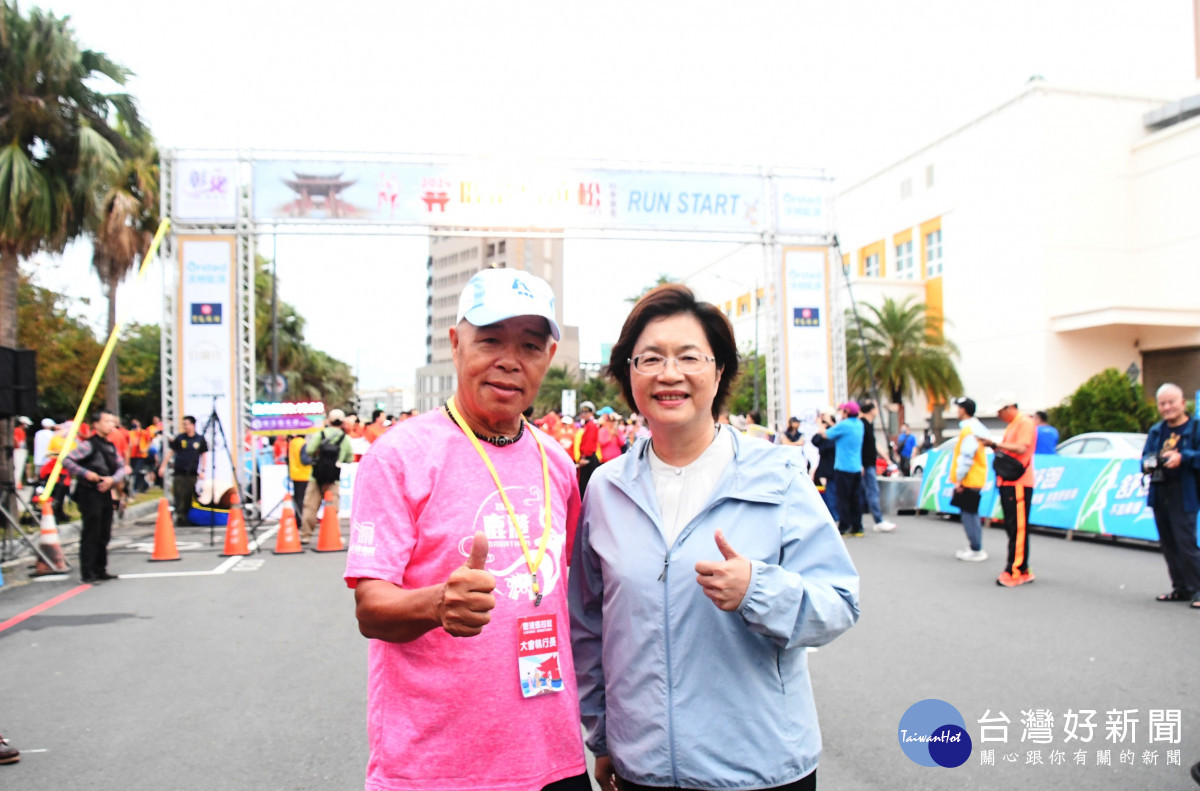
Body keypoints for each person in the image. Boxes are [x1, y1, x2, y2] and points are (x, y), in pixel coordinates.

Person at [570, 283, 859, 791]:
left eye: (689, 357)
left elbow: (839, 602)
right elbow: (589, 625)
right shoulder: (606, 489)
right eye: (650, 359)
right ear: (628, 374)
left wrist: (758, 590)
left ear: (719, 369)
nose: (669, 374)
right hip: (643, 769)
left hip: (761, 769)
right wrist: (605, 734)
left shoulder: (779, 474)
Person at [346, 267, 590, 791]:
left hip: (554, 758)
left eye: (529, 344)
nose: (509, 359)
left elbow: (562, 599)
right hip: (437, 768)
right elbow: (371, 608)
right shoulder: (400, 457)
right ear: (456, 344)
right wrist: (435, 604)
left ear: (548, 358)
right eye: (490, 340)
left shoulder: (557, 463)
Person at [1141, 383, 1200, 609]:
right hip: (1160, 490)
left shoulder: (1195, 428)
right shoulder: (1157, 430)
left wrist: (1183, 458)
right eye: (1162, 404)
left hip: (1185, 491)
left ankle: (1197, 588)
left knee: (1186, 543)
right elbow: (1146, 456)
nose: (1167, 407)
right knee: (1168, 543)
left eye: (1171, 402)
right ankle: (1181, 588)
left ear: (1183, 403)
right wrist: (1149, 463)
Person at [977, 392, 1036, 587]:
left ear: (1009, 408)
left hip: (1019, 482)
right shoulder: (1013, 425)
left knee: (1018, 528)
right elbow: (1010, 451)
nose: (999, 416)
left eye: (1000, 412)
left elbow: (1021, 448)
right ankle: (1022, 568)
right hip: (1009, 482)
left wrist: (994, 443)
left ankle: (1016, 570)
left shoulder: (1024, 423)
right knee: (1013, 527)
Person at [62, 410, 126, 583]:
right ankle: (88, 572)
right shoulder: (88, 445)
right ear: (96, 424)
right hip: (89, 493)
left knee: (104, 532)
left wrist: (112, 479)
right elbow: (67, 460)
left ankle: (100, 569)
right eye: (107, 421)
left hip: (105, 492)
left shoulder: (111, 446)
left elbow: (122, 468)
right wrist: (85, 473)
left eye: (112, 422)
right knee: (92, 531)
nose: (111, 425)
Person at [300, 409, 353, 544]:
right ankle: (333, 534)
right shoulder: (345, 439)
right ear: (342, 422)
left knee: (310, 506)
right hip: (334, 478)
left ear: (328, 420)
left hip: (317, 476)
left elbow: (310, 450)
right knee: (333, 509)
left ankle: (306, 535)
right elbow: (349, 458)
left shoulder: (320, 434)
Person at [948, 397, 990, 562]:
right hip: (975, 477)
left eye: (958, 407)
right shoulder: (976, 427)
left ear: (963, 409)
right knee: (970, 513)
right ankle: (975, 546)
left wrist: (959, 479)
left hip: (969, 478)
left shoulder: (969, 430)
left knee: (969, 515)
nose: (957, 410)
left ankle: (976, 548)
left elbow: (967, 456)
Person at [818, 401, 865, 536]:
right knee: (855, 498)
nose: (840, 413)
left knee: (843, 498)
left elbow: (826, 434)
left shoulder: (844, 425)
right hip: (856, 467)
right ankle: (857, 527)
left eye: (842, 411)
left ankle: (844, 526)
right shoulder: (859, 425)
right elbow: (838, 431)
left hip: (843, 468)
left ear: (847, 412)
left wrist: (820, 424)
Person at [159, 416, 208, 527]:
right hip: (180, 472)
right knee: (179, 494)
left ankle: (188, 516)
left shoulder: (199, 439)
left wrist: (203, 470)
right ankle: (180, 517)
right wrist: (163, 466)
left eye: (186, 424)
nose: (185, 427)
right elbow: (171, 452)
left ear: (193, 425)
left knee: (189, 495)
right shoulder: (180, 438)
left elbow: (204, 455)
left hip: (192, 473)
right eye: (183, 424)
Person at [858, 400, 898, 533]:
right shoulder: (861, 424)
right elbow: (857, 445)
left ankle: (861, 521)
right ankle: (878, 521)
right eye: (876, 407)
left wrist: (887, 459)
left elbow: (874, 445)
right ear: (871, 410)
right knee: (871, 492)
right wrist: (860, 464)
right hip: (864, 465)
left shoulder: (869, 424)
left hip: (868, 464)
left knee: (866, 492)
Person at [810, 407, 839, 522]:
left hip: (836, 466)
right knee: (829, 493)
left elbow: (828, 446)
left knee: (835, 493)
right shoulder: (824, 432)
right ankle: (834, 516)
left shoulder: (835, 431)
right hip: (826, 467)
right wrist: (821, 428)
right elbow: (815, 441)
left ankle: (837, 516)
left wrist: (826, 427)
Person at [573, 401, 601, 494]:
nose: (584, 414)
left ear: (591, 413)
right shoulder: (588, 424)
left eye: (586, 412)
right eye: (582, 412)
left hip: (588, 457)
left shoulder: (591, 425)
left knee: (585, 485)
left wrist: (584, 457)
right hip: (587, 456)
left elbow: (588, 442)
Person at [287, 433, 312, 512]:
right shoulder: (303, 444)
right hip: (304, 474)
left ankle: (298, 518)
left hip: (295, 474)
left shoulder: (292, 443)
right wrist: (314, 460)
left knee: (298, 498)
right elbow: (304, 460)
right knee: (303, 498)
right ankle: (302, 518)